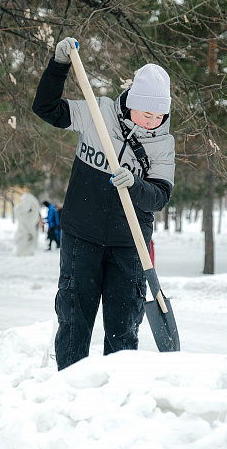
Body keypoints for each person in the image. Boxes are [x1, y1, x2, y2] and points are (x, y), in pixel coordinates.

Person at [33, 37, 175, 370]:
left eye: (159, 115)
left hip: (130, 247)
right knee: (73, 322)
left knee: (123, 331)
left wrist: (137, 184)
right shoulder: (98, 114)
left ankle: (115, 395)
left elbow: (160, 195)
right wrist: (59, 65)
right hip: (81, 237)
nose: (151, 121)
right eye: (146, 113)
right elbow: (46, 108)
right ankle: (68, 385)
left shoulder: (163, 145)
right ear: (132, 103)